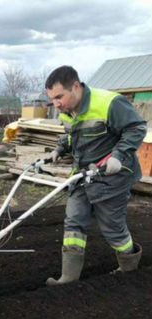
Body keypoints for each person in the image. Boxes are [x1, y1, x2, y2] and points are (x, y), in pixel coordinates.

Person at [45, 65, 147, 286]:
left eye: (59, 97)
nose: (56, 104)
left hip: (113, 176)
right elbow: (73, 136)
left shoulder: (109, 103)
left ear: (76, 86)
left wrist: (118, 156)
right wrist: (59, 149)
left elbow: (137, 128)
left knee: (111, 226)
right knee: (74, 221)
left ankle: (129, 268)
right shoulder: (67, 111)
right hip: (82, 175)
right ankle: (69, 277)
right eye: (53, 99)